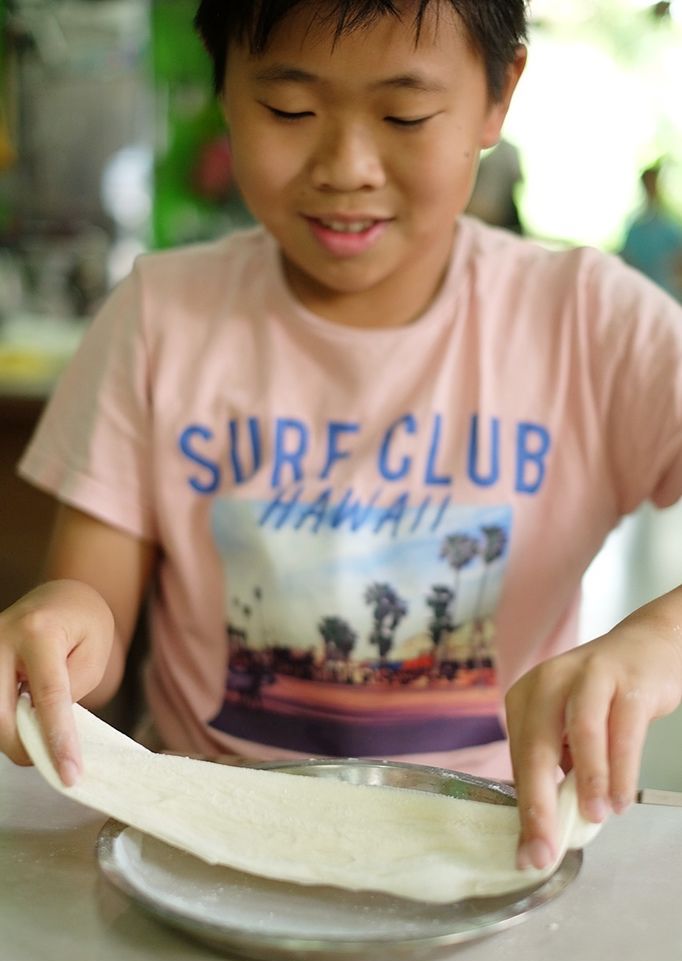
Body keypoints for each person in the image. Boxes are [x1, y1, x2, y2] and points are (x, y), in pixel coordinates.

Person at [0, 0, 681, 875]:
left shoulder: (588, 323)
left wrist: (655, 644)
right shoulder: (160, 318)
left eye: (404, 115)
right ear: (226, 90)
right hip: (200, 844)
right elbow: (90, 620)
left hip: (489, 838)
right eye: (290, 110)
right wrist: (55, 632)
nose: (347, 166)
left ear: (497, 96)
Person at [621, 162, 682, 303]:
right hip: (641, 293)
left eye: (652, 183)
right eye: (647, 184)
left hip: (667, 293)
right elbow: (628, 259)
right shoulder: (635, 227)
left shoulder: (668, 224)